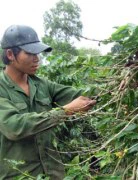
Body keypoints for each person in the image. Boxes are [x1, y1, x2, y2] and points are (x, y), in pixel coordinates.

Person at [0, 25, 96, 179]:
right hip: (19, 176)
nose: (36, 59)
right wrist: (64, 112)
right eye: (30, 53)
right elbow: (14, 127)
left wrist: (117, 85)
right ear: (10, 54)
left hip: (53, 174)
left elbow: (82, 95)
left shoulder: (42, 85)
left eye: (37, 53)